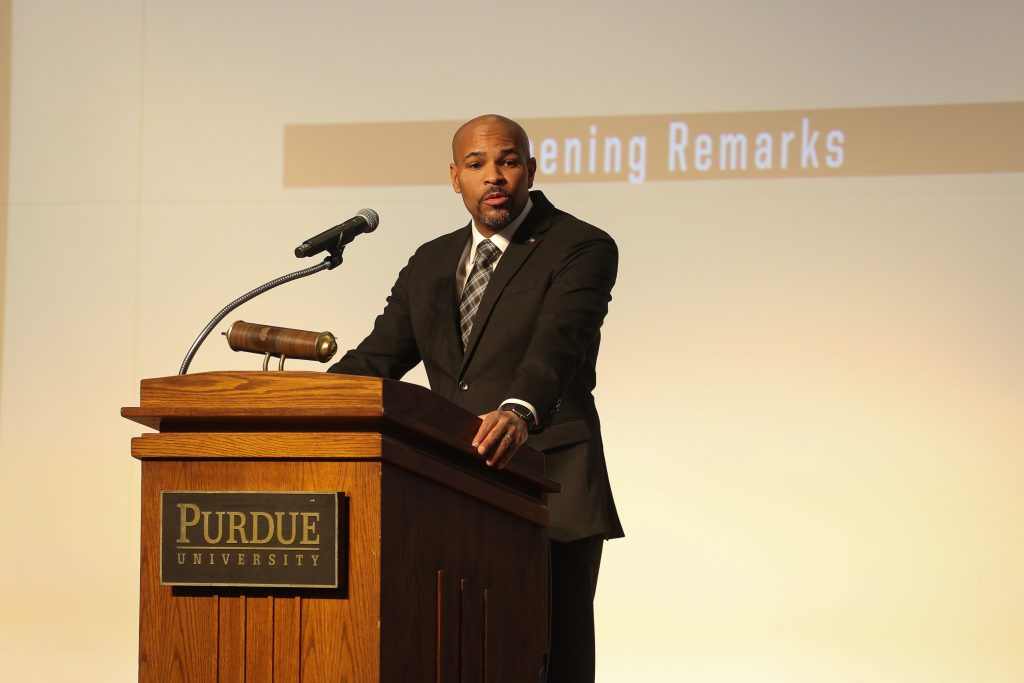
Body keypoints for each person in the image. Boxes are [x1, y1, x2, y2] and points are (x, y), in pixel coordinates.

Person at [328, 114, 622, 682]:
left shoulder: (580, 245)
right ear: (455, 177)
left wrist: (519, 410)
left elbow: (559, 343)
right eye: (476, 164)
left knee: (550, 658)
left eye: (508, 162)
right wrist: (303, 399)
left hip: (544, 480)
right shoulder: (431, 261)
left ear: (529, 170)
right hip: (446, 487)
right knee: (454, 652)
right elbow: (377, 359)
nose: (494, 176)